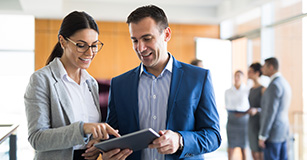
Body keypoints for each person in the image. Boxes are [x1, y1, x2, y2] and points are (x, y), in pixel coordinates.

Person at [102, 5, 221, 160]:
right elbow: (113, 136)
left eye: (147, 38)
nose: (140, 48)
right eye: (135, 40)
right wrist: (107, 153)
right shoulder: (119, 84)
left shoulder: (199, 78)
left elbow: (213, 136)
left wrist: (180, 140)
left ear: (166, 34)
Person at [24, 11, 120, 160]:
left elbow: (91, 134)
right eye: (81, 45)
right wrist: (83, 128)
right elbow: (37, 139)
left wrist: (97, 142)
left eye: (94, 45)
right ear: (63, 42)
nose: (89, 53)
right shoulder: (41, 80)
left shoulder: (91, 83)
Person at [259, 57, 292, 160]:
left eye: (264, 66)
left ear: (271, 67)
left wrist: (262, 136)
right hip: (283, 131)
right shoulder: (284, 82)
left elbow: (270, 112)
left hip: (272, 133)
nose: (262, 69)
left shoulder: (274, 85)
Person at [225, 70, 250, 160]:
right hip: (231, 120)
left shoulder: (247, 90)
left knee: (244, 148)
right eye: (235, 76)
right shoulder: (228, 91)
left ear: (243, 78)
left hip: (243, 121)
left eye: (239, 76)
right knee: (231, 147)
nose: (236, 78)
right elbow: (227, 105)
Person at [247, 63, 265, 160]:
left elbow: (267, 109)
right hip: (251, 122)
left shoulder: (263, 89)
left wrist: (257, 110)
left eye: (251, 71)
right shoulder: (251, 89)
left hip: (259, 122)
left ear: (257, 73)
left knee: (259, 152)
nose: (248, 73)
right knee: (253, 150)